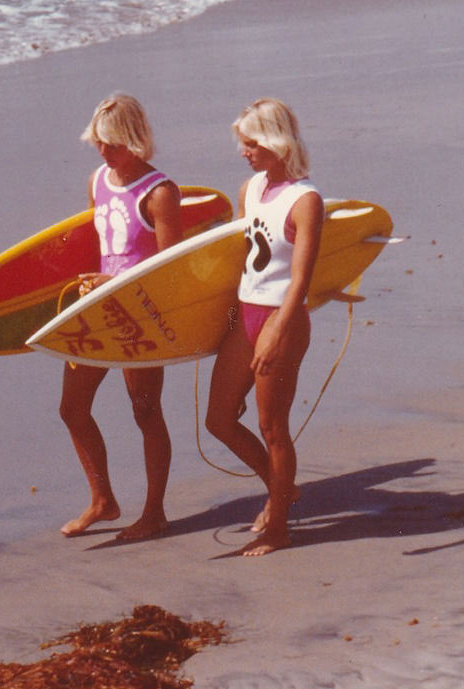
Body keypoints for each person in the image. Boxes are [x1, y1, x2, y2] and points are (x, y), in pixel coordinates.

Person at [59, 94, 183, 541]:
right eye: (97, 142)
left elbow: (170, 272)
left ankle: (154, 513)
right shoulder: (98, 180)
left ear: (134, 141)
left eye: (110, 144)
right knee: (72, 408)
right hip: (100, 308)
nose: (102, 152)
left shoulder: (161, 194)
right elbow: (99, 248)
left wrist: (116, 283)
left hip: (143, 313)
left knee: (146, 411)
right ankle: (103, 501)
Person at [205, 98, 323, 556]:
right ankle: (282, 490)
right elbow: (237, 256)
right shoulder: (250, 188)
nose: (244, 151)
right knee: (219, 420)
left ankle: (279, 525)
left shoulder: (305, 201)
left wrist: (277, 329)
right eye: (243, 143)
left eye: (251, 143)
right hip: (245, 316)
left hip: (283, 321)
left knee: (273, 428)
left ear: (277, 143)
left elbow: (301, 281)